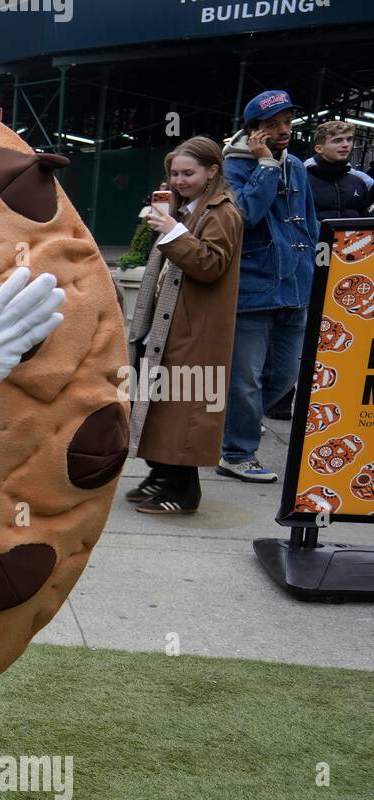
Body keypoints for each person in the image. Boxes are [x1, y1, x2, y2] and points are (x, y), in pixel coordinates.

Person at [127, 138, 244, 514]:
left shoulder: (222, 213)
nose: (179, 180)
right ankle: (161, 475)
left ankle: (182, 489)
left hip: (197, 326)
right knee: (160, 402)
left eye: (188, 173)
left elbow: (211, 265)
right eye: (174, 173)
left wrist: (173, 231)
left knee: (184, 407)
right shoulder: (187, 207)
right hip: (171, 321)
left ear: (212, 171)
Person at [218, 90, 319, 480]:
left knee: (285, 377)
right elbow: (244, 215)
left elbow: (307, 221)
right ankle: (237, 452)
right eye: (273, 125)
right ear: (254, 130)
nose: (283, 131)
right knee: (246, 379)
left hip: (296, 286)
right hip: (254, 288)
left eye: (287, 123)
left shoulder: (296, 164)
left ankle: (233, 427)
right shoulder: (233, 167)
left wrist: (310, 265)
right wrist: (265, 166)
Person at [305, 120, 373, 222]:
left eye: (349, 139)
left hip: (355, 238)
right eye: (337, 140)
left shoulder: (359, 182)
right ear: (319, 149)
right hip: (315, 238)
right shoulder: (302, 180)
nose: (346, 145)